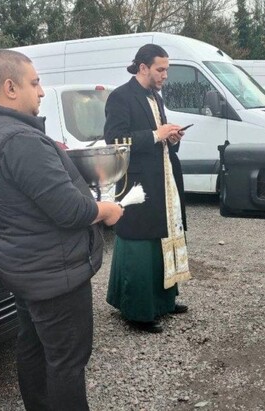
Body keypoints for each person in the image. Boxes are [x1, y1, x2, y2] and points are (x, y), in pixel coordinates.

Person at [0, 49, 123, 411]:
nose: (40, 92)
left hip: (23, 265)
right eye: (35, 83)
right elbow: (70, 211)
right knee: (67, 363)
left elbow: (32, 192)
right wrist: (108, 209)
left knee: (33, 347)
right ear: (10, 87)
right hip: (55, 273)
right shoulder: (19, 139)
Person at [104, 44, 191, 334]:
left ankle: (163, 301)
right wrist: (156, 134)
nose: (165, 75)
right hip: (136, 184)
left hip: (162, 177)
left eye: (166, 69)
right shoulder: (120, 96)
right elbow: (114, 141)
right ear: (143, 67)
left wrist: (171, 137)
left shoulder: (156, 96)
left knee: (162, 237)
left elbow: (158, 138)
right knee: (140, 242)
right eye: (160, 69)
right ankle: (137, 311)